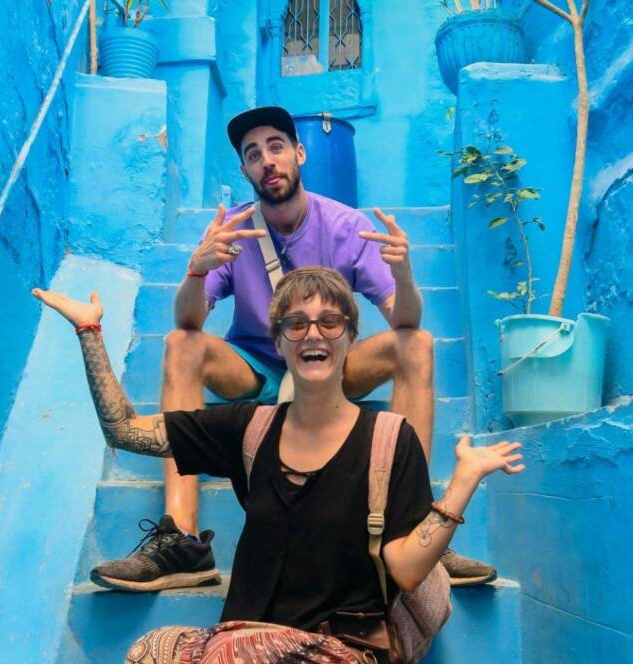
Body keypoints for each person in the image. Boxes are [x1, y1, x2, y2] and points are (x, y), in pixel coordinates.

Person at [90, 105, 496, 592]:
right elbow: (189, 321)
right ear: (244, 170)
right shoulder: (232, 230)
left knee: (417, 345)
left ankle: (411, 528)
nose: (267, 161)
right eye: (253, 154)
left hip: (330, 361)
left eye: (276, 147)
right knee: (181, 343)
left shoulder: (345, 225)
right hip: (256, 366)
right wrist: (196, 271)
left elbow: (404, 321)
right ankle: (183, 542)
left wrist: (404, 274)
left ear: (299, 154)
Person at [31, 267, 524, 663]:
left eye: (331, 322)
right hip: (242, 638)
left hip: (342, 648)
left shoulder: (390, 440)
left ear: (350, 337)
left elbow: (408, 569)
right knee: (151, 651)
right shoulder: (250, 428)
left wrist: (461, 484)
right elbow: (125, 430)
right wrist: (89, 331)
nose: (314, 333)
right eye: (296, 323)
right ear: (281, 341)